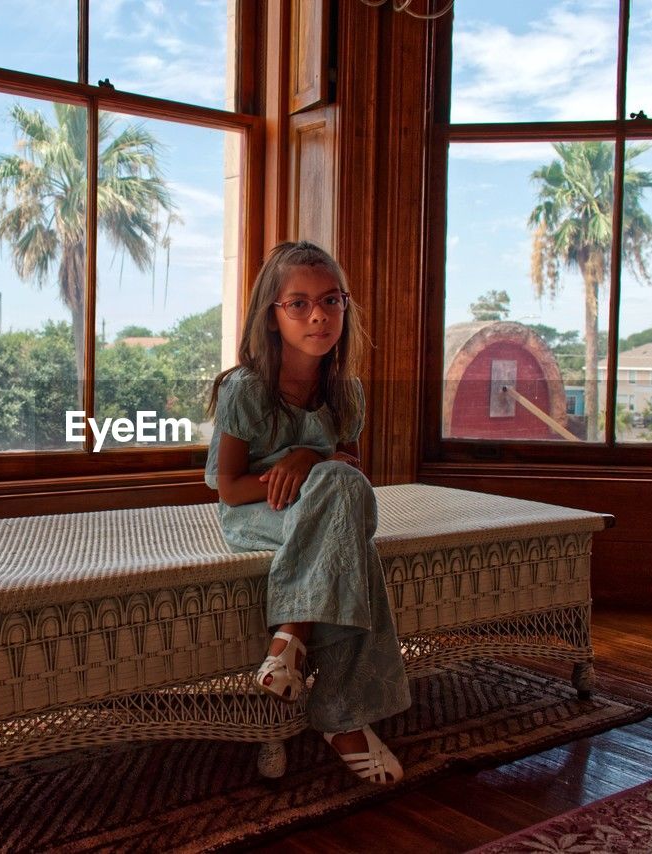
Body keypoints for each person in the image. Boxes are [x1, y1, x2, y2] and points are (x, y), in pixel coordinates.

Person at [204, 240, 410, 785]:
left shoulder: (349, 393)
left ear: (345, 306)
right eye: (298, 303)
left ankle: (290, 642)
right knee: (354, 545)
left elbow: (351, 474)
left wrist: (310, 456)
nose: (318, 314)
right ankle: (340, 716)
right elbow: (228, 488)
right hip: (257, 512)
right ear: (272, 317)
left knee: (343, 496)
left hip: (320, 510)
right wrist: (306, 470)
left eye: (331, 300)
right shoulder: (245, 388)